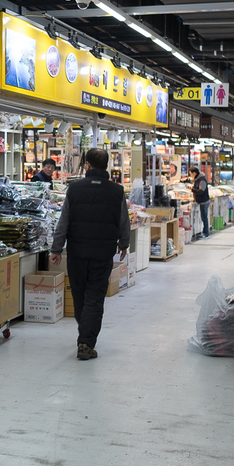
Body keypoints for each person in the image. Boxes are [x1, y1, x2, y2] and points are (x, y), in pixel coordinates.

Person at [49, 148, 131, 360]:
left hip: (77, 252)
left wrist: (56, 248)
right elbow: (123, 220)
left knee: (79, 294)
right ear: (106, 165)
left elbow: (63, 221)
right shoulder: (116, 191)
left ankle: (84, 336)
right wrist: (124, 243)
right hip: (103, 253)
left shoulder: (74, 189)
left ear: (87, 165)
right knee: (95, 296)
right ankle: (86, 340)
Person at [189, 166, 210, 238]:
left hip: (204, 201)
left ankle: (205, 233)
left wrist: (193, 189)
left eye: (191, 174)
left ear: (194, 173)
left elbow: (201, 190)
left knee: (204, 217)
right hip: (201, 201)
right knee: (203, 217)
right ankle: (205, 232)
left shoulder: (202, 180)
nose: (191, 176)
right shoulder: (197, 179)